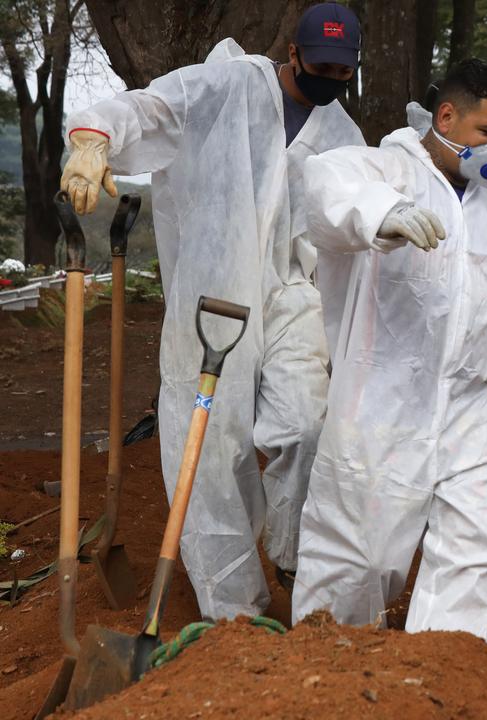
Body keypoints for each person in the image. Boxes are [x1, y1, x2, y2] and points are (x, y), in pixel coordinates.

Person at [58, 3, 364, 619]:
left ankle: (294, 552)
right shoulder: (226, 86)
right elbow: (151, 109)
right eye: (320, 64)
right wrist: (93, 137)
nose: (330, 79)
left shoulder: (342, 133)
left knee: (306, 423)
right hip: (213, 294)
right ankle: (234, 612)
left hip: (292, 293)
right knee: (211, 450)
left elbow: (357, 209)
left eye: (342, 69)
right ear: (294, 54)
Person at [291, 59, 487, 661]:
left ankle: (448, 679)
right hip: (382, 406)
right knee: (359, 557)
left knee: (477, 558)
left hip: (473, 410)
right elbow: (323, 185)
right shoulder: (383, 169)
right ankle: (325, 673)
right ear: (446, 117)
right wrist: (380, 214)